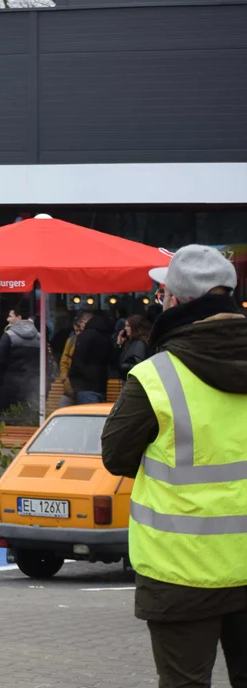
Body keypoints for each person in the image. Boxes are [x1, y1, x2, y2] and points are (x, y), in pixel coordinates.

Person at [101, 244, 247, 688]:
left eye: (163, 292)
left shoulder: (156, 376)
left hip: (180, 574)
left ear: (178, 300)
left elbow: (116, 455)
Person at [0, 302, 41, 415]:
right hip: (31, 387)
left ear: (19, 317)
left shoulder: (9, 335)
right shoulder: (39, 337)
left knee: (5, 418)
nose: (7, 319)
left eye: (10, 316)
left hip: (9, 386)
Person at [68, 309, 113, 404]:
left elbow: (78, 360)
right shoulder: (106, 335)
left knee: (87, 416)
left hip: (85, 384)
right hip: (101, 383)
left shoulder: (85, 336)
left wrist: (73, 378)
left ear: (84, 321)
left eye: (80, 324)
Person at [57, 312, 91, 408]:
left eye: (80, 331)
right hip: (69, 385)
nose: (78, 333)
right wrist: (65, 378)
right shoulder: (71, 341)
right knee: (63, 408)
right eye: (76, 331)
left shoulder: (88, 341)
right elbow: (64, 361)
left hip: (84, 386)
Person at [116, 314, 151, 380]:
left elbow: (139, 365)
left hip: (133, 380)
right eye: (125, 326)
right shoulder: (131, 342)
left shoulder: (139, 343)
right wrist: (120, 344)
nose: (125, 328)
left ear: (135, 327)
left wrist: (124, 366)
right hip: (129, 378)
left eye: (128, 326)